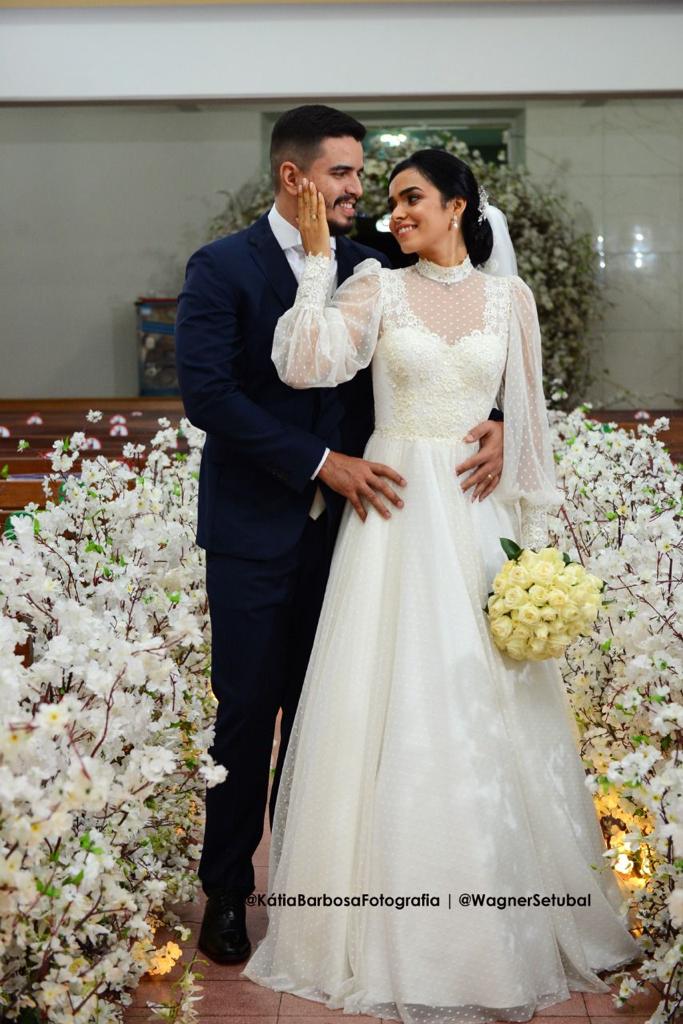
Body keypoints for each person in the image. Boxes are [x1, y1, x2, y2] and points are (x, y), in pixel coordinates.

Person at [241, 150, 642, 1023]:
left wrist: (531, 547)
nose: (394, 213)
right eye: (389, 200)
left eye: (411, 197)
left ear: (458, 205)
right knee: (391, 699)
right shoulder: (375, 287)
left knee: (487, 701)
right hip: (393, 516)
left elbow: (529, 426)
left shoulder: (511, 300)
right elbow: (306, 364)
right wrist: (316, 268)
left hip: (474, 519)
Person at [174, 109, 506, 966]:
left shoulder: (371, 266)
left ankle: (310, 893)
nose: (361, 191)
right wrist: (319, 461)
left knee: (336, 713)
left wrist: (498, 418)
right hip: (254, 529)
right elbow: (208, 395)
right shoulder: (223, 266)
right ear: (295, 177)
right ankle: (227, 892)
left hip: (360, 534)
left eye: (363, 176)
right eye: (345, 175)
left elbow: (451, 334)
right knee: (247, 714)